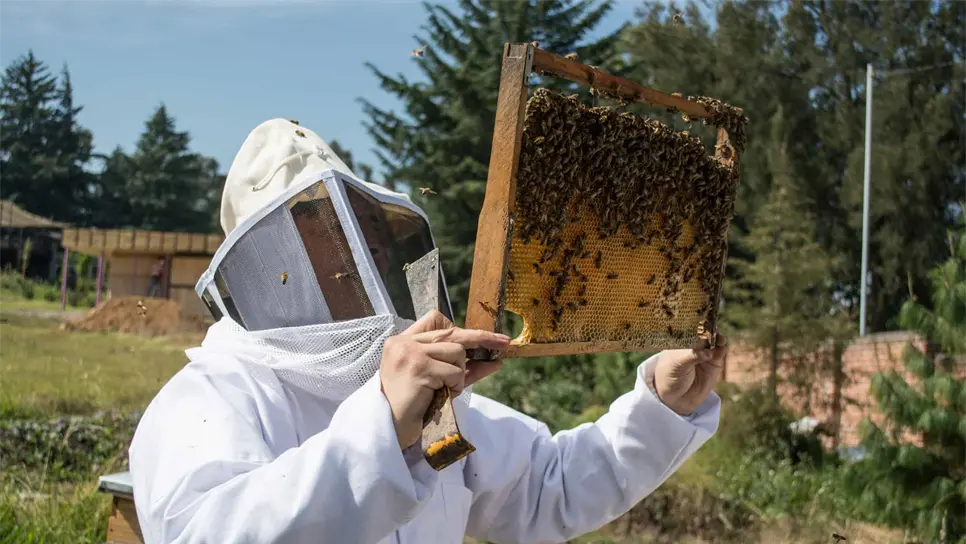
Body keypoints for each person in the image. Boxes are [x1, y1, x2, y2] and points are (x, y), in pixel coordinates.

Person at [128, 119, 728, 544]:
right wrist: (383, 427)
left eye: (363, 225)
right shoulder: (210, 400)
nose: (354, 246)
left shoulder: (424, 401)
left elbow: (546, 488)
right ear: (264, 258)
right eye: (315, 225)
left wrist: (661, 408)